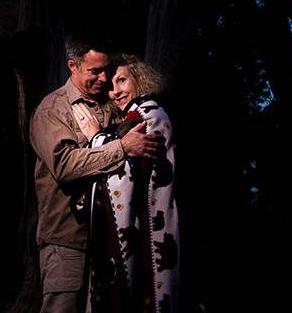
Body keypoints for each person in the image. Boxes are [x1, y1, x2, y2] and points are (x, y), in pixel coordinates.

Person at [30, 37, 164, 313]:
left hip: (111, 237)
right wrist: (120, 147)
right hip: (69, 240)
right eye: (95, 71)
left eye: (106, 69)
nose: (104, 78)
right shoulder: (53, 109)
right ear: (73, 66)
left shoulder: (112, 102)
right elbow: (65, 165)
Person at [71, 54, 180, 313]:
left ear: (139, 80)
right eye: (110, 87)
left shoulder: (148, 111)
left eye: (122, 81)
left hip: (150, 229)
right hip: (141, 227)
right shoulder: (131, 117)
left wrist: (95, 136)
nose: (115, 92)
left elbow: (120, 155)